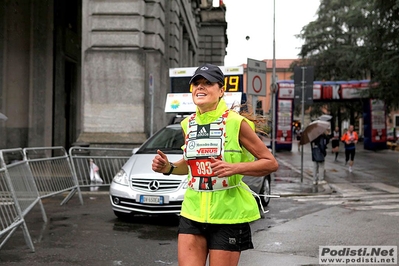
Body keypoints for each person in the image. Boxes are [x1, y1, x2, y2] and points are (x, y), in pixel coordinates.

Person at [151, 63, 278, 266]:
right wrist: (169, 167)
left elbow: (270, 163)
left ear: (221, 91)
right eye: (196, 84)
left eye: (207, 83)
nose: (200, 87)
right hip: (192, 212)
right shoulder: (187, 124)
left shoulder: (236, 123)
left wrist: (234, 168)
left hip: (228, 215)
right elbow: (191, 164)